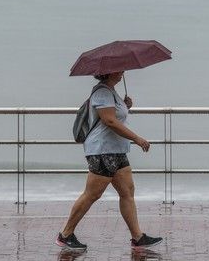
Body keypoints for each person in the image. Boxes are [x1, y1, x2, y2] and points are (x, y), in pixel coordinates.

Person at [56, 71, 163, 251]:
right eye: (118, 70)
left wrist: (125, 105)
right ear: (107, 72)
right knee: (92, 194)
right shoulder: (102, 93)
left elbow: (115, 115)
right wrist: (137, 138)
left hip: (117, 150)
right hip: (102, 151)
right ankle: (65, 235)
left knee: (127, 192)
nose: (122, 73)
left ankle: (138, 237)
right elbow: (109, 121)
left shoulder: (111, 92)